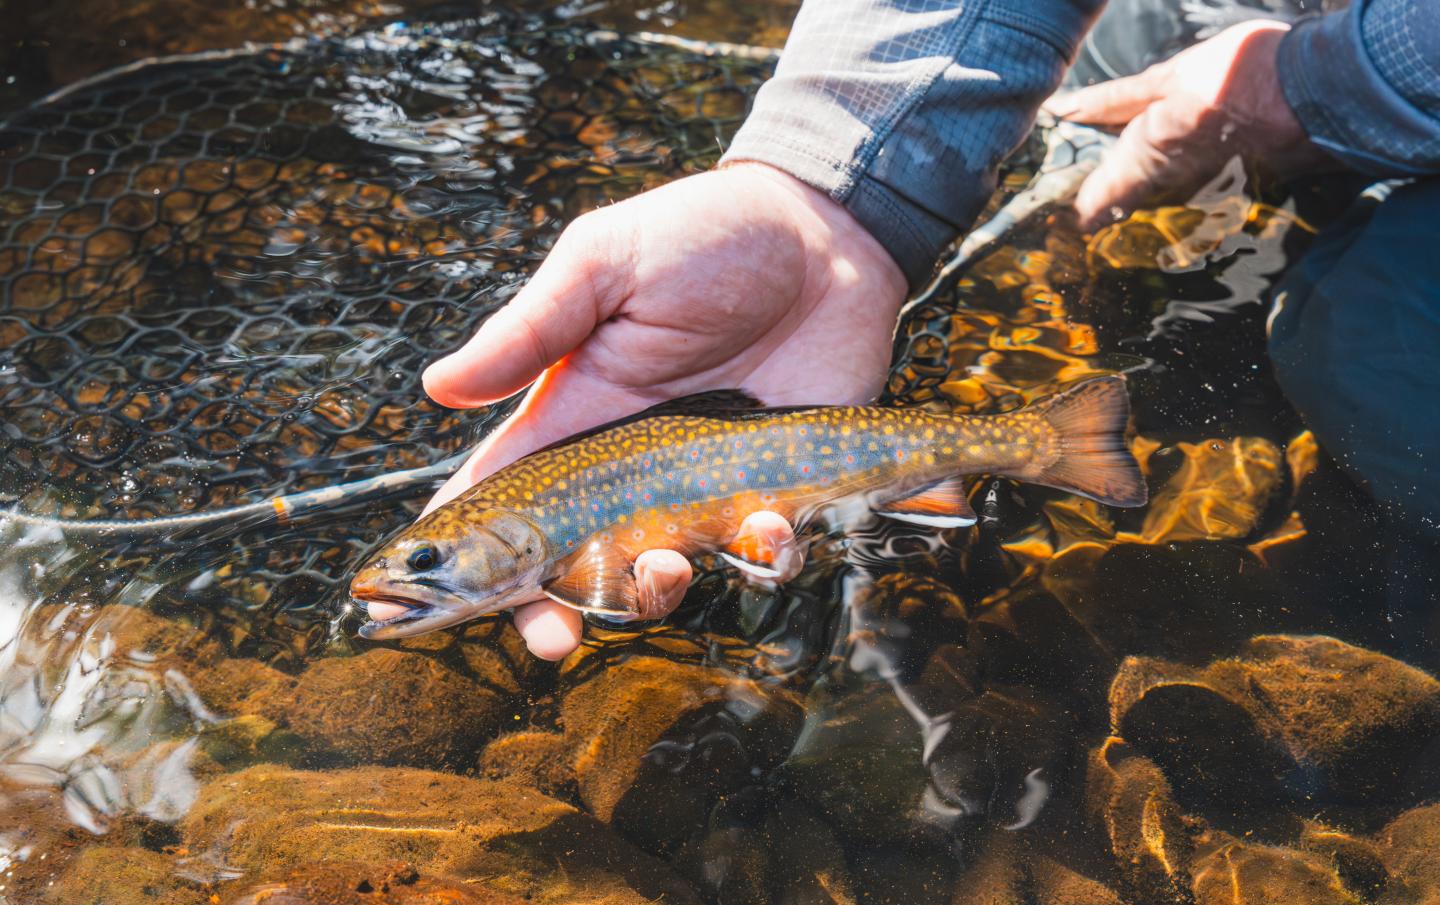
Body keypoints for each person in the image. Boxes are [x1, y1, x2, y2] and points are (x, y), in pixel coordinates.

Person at [418, 0, 1440, 660]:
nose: (403, 584)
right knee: (1128, 46)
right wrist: (823, 198)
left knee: (1365, 355)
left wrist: (1313, 87)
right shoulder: (541, 536)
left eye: (425, 566)